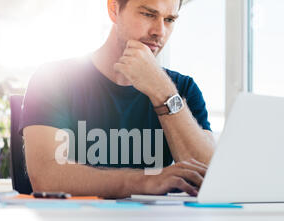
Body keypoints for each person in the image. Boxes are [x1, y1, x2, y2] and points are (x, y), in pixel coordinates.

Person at [20, 0, 215, 198]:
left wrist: (163, 92)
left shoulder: (181, 89)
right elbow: (46, 177)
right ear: (114, 9)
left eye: (170, 19)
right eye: (148, 14)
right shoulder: (53, 78)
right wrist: (145, 181)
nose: (160, 31)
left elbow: (210, 178)